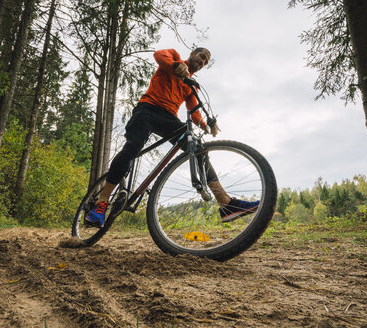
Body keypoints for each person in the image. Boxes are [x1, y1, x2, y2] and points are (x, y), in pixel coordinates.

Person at [86, 48, 259, 227]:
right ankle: (102, 202)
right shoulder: (174, 58)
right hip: (147, 109)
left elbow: (194, 114)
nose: (202, 62)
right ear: (192, 53)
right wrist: (177, 66)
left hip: (168, 118)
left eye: (205, 62)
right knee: (133, 147)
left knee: (197, 148)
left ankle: (225, 203)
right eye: (201, 57)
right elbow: (159, 55)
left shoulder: (189, 85)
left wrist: (207, 126)